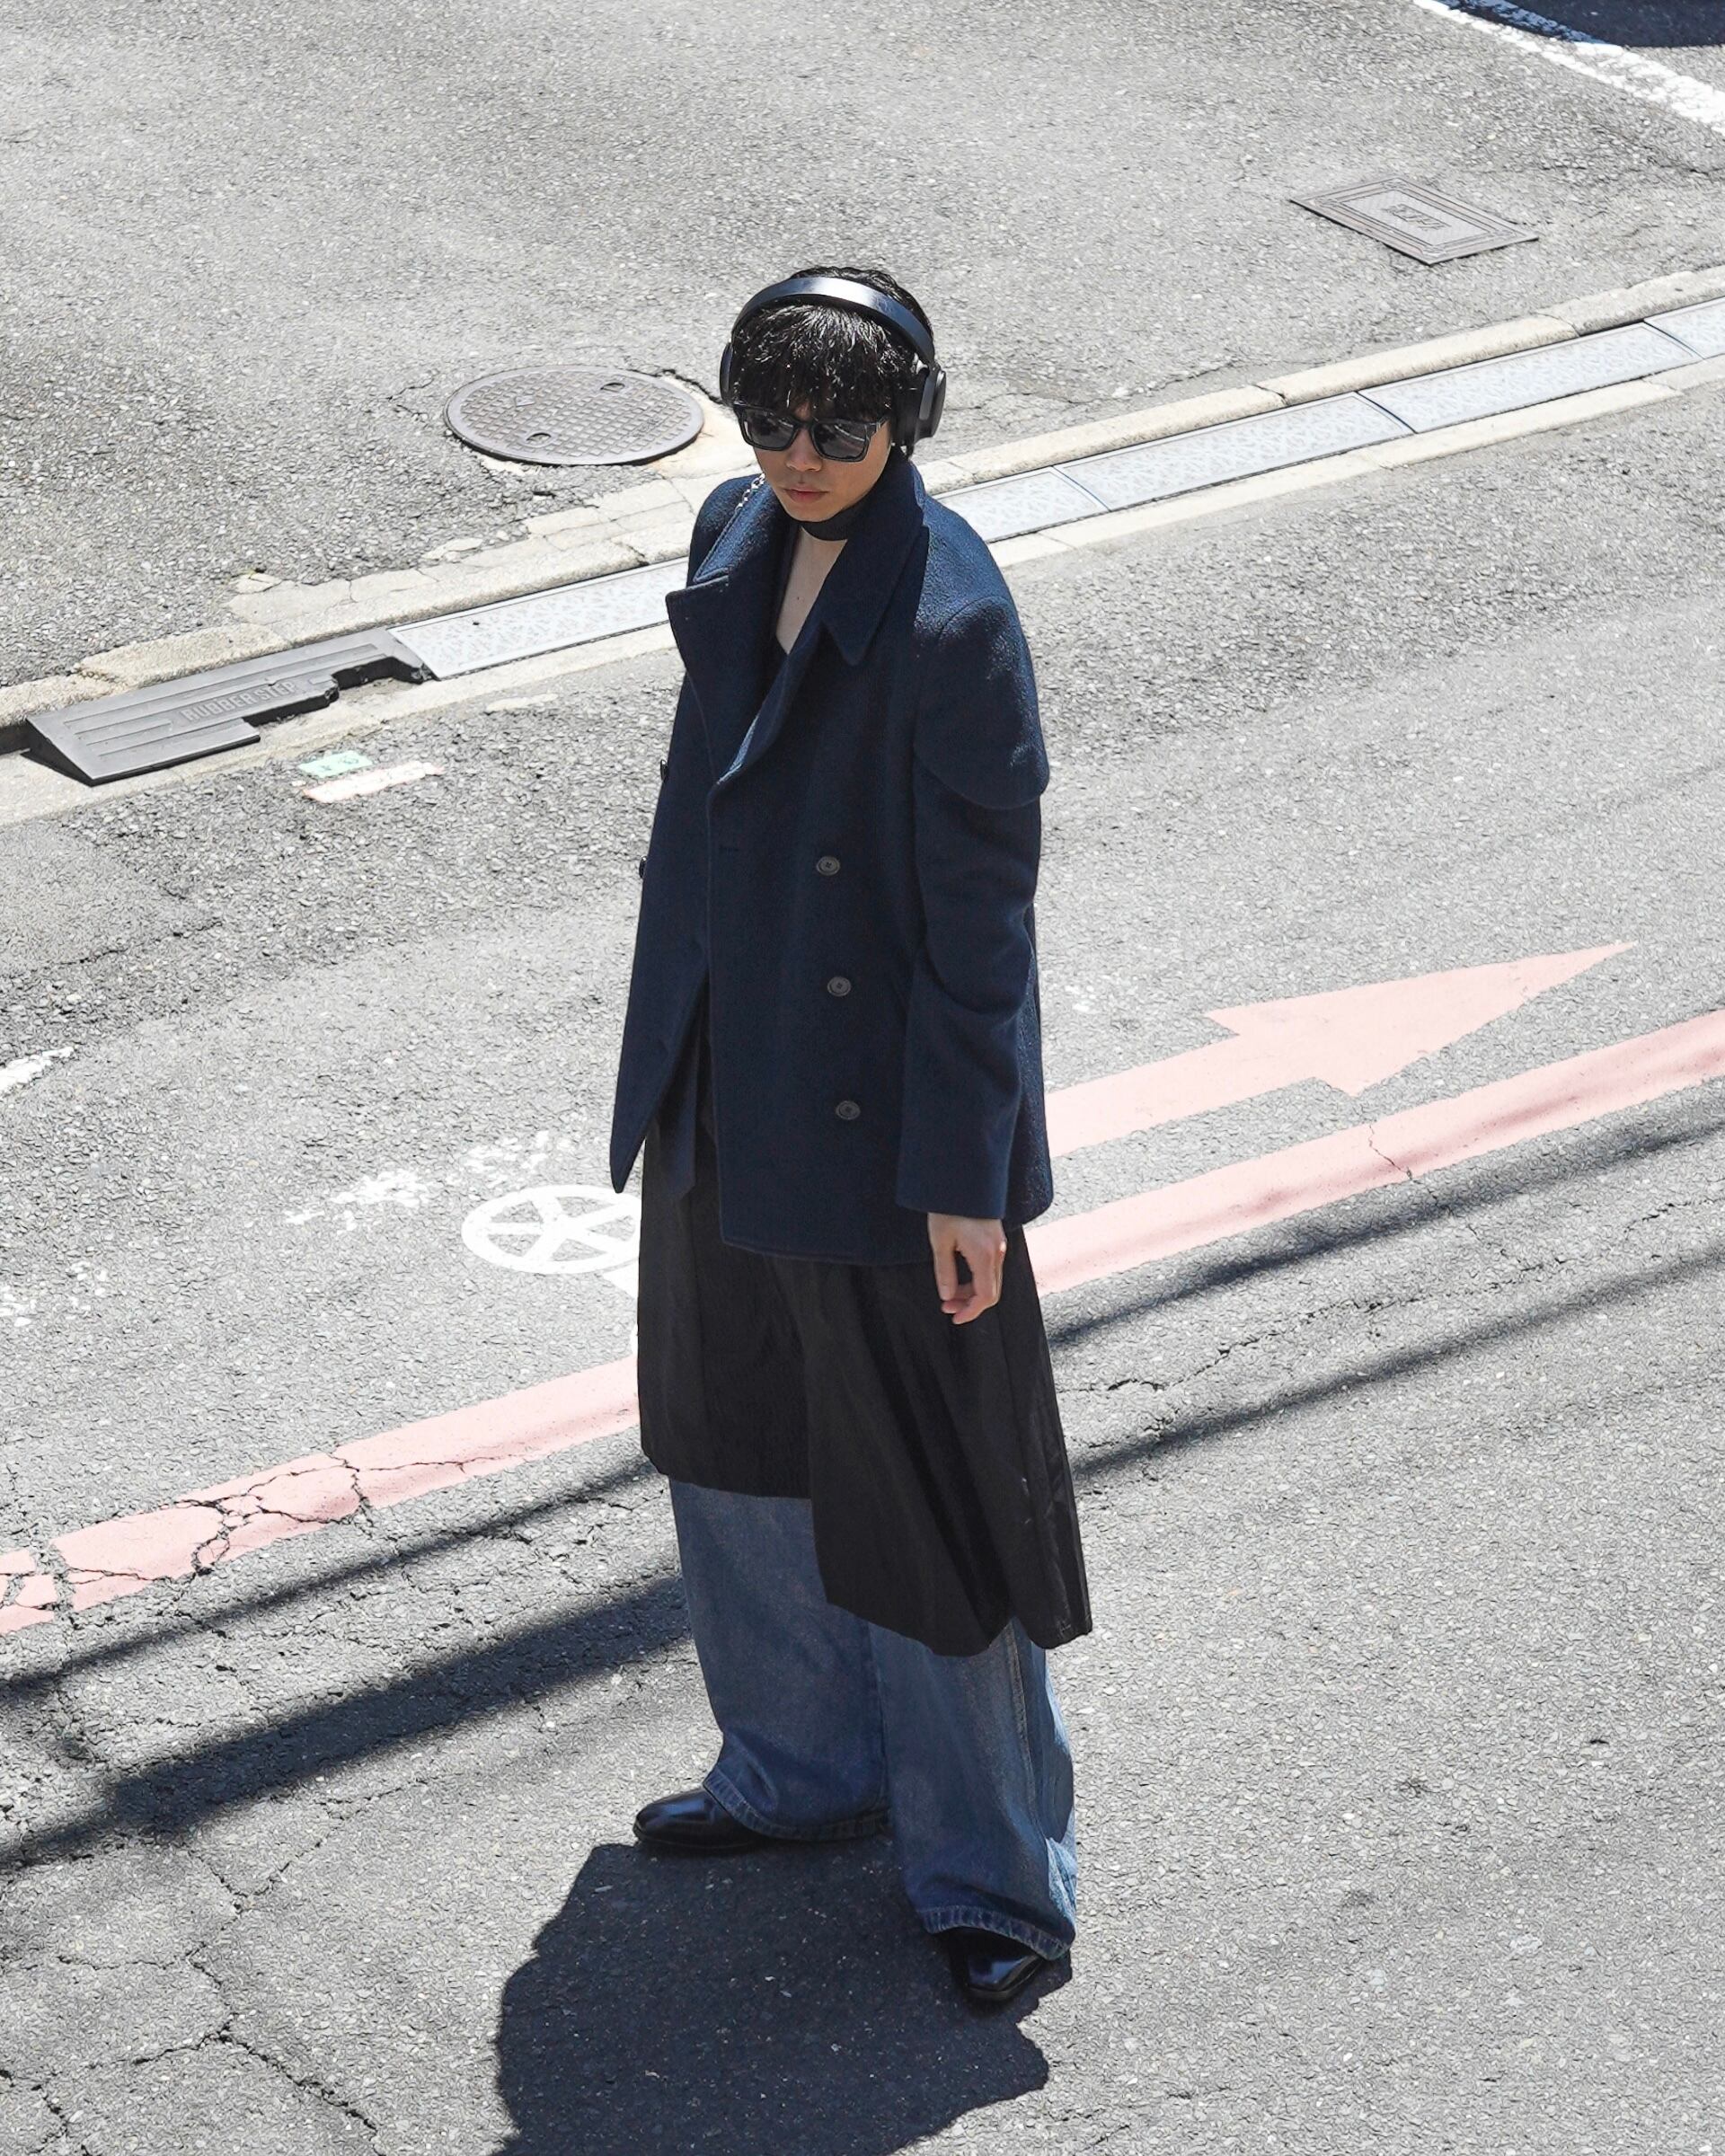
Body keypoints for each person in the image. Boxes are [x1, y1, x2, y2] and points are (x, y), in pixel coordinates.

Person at [607, 267, 1092, 2009]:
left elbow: (984, 931)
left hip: (885, 1134)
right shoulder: (738, 528)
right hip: (722, 1083)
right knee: (730, 1448)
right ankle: (797, 1773)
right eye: (770, 419)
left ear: (911, 421)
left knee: (934, 1507)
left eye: (843, 426)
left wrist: (969, 1180)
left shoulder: (954, 618)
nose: (801, 455)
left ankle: (995, 1882)